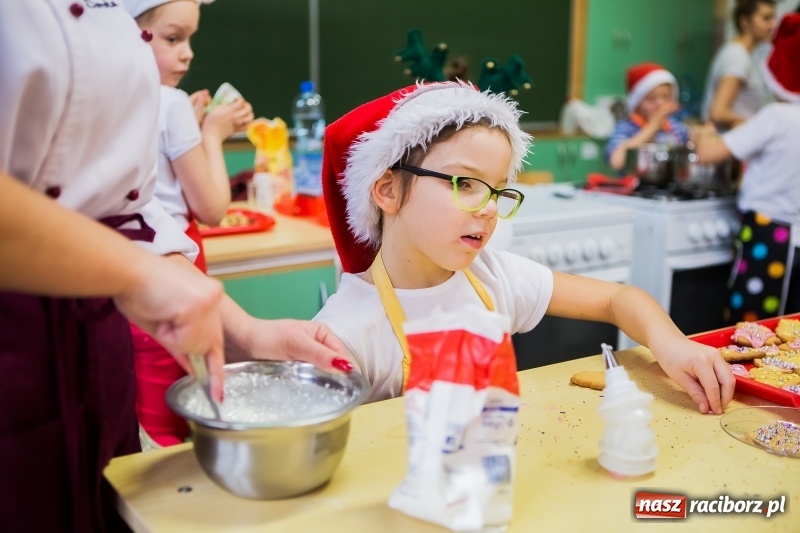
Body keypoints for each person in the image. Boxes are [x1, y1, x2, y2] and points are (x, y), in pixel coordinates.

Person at [0, 2, 350, 531]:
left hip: (97, 347)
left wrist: (247, 333)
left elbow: (128, 213)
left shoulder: (115, 19)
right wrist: (135, 277)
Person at [314, 80, 734, 415]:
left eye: (498, 190)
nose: (489, 208)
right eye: (465, 183)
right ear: (387, 190)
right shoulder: (348, 333)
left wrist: (673, 345)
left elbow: (619, 299)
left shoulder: (491, 278)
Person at [124, 0, 255, 447]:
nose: (188, 54)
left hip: (126, 282)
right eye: (173, 38)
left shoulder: (110, 100)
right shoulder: (171, 102)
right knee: (181, 411)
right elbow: (212, 207)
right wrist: (213, 135)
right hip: (174, 273)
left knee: (141, 416)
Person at [695, 13, 800, 325]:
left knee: (753, 325)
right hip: (795, 238)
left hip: (769, 234)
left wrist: (702, 134)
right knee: (790, 327)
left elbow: (708, 154)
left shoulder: (777, 117)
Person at [701, 0, 777, 131]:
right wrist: (759, 125)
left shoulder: (741, 53)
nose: (773, 25)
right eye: (766, 18)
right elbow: (718, 112)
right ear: (745, 22)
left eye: (773, 18)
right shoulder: (737, 57)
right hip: (728, 142)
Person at [605, 62, 691, 171]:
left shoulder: (675, 127)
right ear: (636, 103)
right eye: (651, 98)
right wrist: (652, 127)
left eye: (666, 97)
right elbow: (616, 161)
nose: (660, 103)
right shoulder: (625, 127)